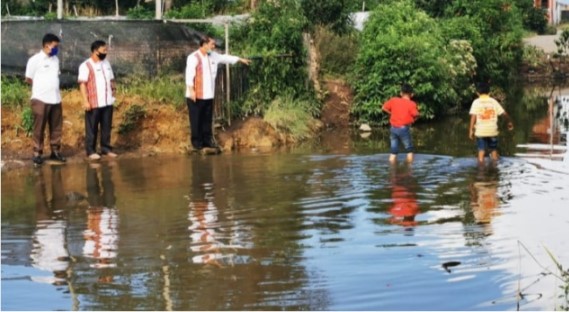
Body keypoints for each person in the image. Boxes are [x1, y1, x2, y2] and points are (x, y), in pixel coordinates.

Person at [185, 36, 251, 151]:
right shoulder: (193, 57)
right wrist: (191, 91)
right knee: (196, 120)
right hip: (196, 95)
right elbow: (189, 74)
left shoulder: (213, 56)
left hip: (208, 95)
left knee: (207, 119)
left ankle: (208, 141)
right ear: (204, 44)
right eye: (212, 44)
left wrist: (239, 59)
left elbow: (225, 58)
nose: (214, 46)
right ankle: (197, 143)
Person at [25, 33, 66, 165]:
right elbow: (28, 79)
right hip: (40, 99)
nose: (56, 49)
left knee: (56, 127)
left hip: (55, 99)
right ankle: (37, 153)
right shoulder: (34, 60)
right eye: (55, 46)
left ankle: (55, 151)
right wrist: (41, 88)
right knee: (39, 127)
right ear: (47, 45)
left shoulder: (55, 60)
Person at [78, 40, 117, 161]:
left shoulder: (106, 63)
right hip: (94, 102)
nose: (106, 52)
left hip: (107, 101)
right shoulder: (86, 65)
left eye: (106, 50)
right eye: (103, 50)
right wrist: (85, 101)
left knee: (106, 127)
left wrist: (114, 91)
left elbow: (111, 80)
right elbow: (82, 84)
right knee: (92, 127)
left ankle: (105, 148)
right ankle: (91, 150)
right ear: (95, 51)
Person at [468, 82, 514, 163]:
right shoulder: (493, 101)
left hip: (480, 132)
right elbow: (504, 113)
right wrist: (509, 122)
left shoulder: (476, 102)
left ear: (477, 93)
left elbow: (473, 117)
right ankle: (494, 171)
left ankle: (481, 172)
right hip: (492, 131)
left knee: (481, 151)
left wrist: (471, 130)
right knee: (493, 151)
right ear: (489, 93)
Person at [382, 83, 420, 163]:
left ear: (401, 93)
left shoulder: (394, 100)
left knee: (393, 151)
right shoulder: (412, 104)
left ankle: (392, 168)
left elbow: (384, 107)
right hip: (403, 128)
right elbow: (416, 115)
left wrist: (391, 113)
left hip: (393, 128)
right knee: (409, 150)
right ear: (412, 94)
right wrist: (412, 121)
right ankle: (409, 169)